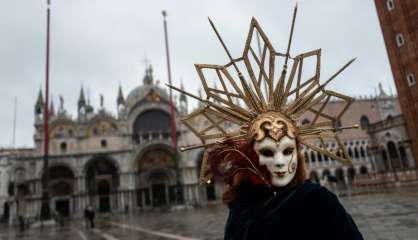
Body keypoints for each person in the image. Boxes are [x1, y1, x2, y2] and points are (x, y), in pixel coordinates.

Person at [169, 4, 363, 240]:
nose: (281, 161)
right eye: (269, 152)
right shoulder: (316, 202)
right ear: (251, 157)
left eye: (288, 150)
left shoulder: (238, 213)